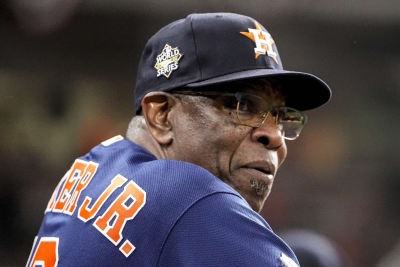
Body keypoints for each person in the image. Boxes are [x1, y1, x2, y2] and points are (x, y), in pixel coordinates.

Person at [26, 12, 331, 267]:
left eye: (279, 116)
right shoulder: (193, 196)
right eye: (243, 105)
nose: (275, 136)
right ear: (161, 115)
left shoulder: (96, 166)